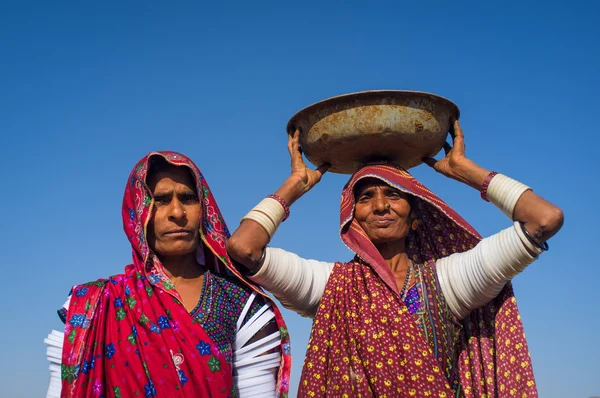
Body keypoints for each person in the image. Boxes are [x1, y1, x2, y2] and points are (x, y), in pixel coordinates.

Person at [227, 121, 564, 397]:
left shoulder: (448, 282)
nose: (380, 206)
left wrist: (467, 171)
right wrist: (294, 185)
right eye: (366, 197)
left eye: (393, 194)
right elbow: (245, 248)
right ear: (351, 217)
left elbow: (544, 220)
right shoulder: (330, 286)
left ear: (417, 215)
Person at [44, 152, 291, 398]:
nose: (177, 212)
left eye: (188, 198)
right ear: (137, 212)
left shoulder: (240, 304)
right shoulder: (95, 305)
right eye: (160, 200)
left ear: (203, 208)